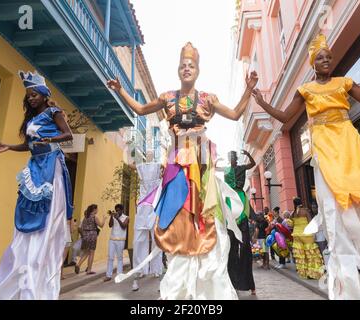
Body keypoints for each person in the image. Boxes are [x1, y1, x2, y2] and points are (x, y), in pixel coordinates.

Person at [251, 34, 360, 299]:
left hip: (348, 143)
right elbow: (287, 117)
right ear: (313, 62)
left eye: (329, 58)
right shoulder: (306, 90)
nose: (326, 61)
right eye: (320, 57)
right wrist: (262, 104)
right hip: (325, 147)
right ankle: (350, 284)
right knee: (335, 209)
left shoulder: (344, 83)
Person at [109, 42, 258, 299]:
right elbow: (141, 109)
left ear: (197, 70)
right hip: (177, 160)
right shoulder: (167, 97)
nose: (186, 69)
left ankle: (203, 267)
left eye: (191, 66)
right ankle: (180, 261)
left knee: (202, 211)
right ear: (178, 71)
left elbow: (234, 114)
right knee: (176, 208)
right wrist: (121, 90)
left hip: (200, 162)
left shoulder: (207, 99)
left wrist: (248, 90)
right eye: (182, 66)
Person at [0, 71, 74, 300]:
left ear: (43, 95)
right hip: (35, 165)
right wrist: (9, 147)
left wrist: (49, 140)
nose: (31, 98)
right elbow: (29, 145)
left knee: (48, 211)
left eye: (34, 95)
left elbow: (68, 134)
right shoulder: (31, 120)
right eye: (28, 96)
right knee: (28, 206)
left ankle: (40, 272)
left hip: (51, 165)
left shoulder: (54, 112)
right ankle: (23, 271)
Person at [224, 150, 256, 295]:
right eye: (229, 157)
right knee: (231, 249)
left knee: (245, 248)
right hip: (230, 202)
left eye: (233, 157)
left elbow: (253, 164)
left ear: (236, 159)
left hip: (241, 201)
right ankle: (233, 282)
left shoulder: (242, 167)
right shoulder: (225, 171)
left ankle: (248, 283)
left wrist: (248, 154)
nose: (231, 159)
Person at [132, 162, 164, 291]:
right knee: (138, 241)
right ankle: (139, 270)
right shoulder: (141, 178)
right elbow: (130, 163)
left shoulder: (158, 178)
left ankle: (157, 269)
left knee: (157, 241)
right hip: (142, 210)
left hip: (154, 209)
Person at [75, 204, 107, 275]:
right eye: (97, 209)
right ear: (94, 210)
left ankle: (78, 264)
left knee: (86, 252)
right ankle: (89, 269)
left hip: (85, 236)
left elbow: (82, 227)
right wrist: (104, 219)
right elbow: (101, 225)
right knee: (92, 253)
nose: (97, 210)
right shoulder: (94, 217)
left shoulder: (85, 217)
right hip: (92, 236)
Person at [104, 204, 129, 282]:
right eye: (116, 210)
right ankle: (108, 275)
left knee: (120, 258)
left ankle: (119, 274)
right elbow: (110, 225)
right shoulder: (114, 216)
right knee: (110, 257)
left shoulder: (126, 217)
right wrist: (112, 216)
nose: (117, 211)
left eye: (119, 210)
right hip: (112, 239)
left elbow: (124, 226)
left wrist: (118, 219)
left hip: (121, 240)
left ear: (122, 210)